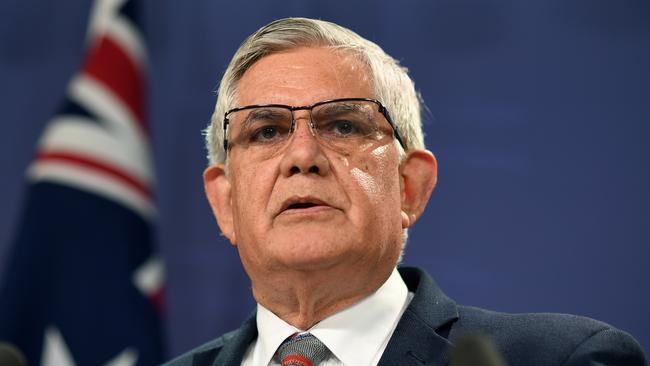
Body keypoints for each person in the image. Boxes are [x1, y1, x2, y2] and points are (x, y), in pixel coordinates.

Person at [164, 17, 646, 366]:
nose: (301, 156)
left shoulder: (558, 358)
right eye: (267, 131)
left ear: (409, 186)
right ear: (224, 202)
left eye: (344, 125)